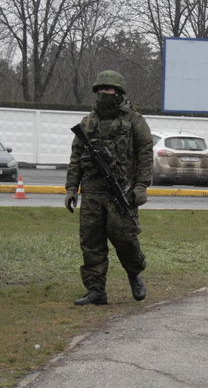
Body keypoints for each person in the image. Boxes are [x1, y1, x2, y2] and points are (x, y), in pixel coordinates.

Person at [65, 70, 153, 305]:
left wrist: (141, 185)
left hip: (121, 191)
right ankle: (96, 290)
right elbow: (76, 156)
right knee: (91, 242)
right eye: (102, 89)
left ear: (119, 92)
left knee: (126, 239)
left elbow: (145, 153)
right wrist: (71, 188)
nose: (106, 93)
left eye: (110, 89)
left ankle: (134, 274)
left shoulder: (134, 120)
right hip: (92, 192)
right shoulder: (88, 122)